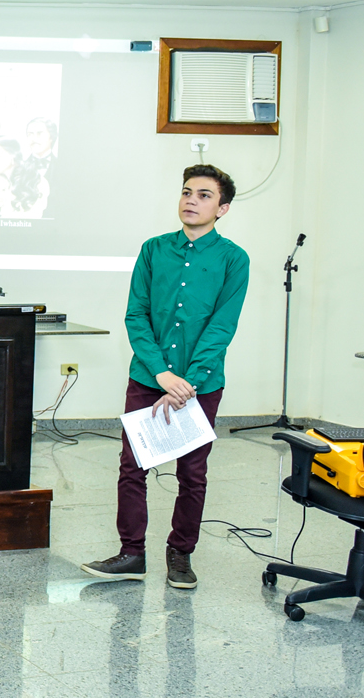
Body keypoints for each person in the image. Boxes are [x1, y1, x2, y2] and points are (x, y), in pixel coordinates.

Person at [84, 165, 249, 589]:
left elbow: (222, 326)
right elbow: (136, 315)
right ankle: (131, 553)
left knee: (192, 473)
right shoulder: (154, 250)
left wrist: (187, 383)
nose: (191, 200)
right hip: (148, 377)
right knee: (132, 466)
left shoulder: (234, 259)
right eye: (187, 192)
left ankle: (181, 554)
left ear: (223, 208)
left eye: (204, 195)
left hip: (200, 384)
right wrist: (161, 373)